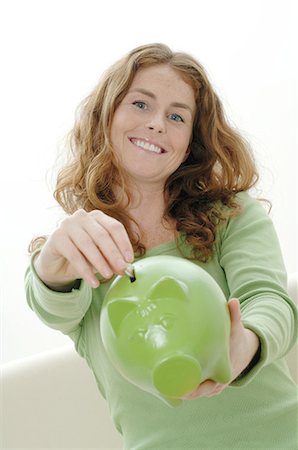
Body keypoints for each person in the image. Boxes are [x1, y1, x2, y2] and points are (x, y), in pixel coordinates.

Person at [25, 43, 297, 449]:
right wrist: (50, 264)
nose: (156, 124)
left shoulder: (230, 214)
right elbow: (50, 302)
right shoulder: (78, 249)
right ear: (107, 115)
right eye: (140, 104)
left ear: (190, 142)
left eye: (176, 116)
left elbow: (270, 300)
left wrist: (246, 344)